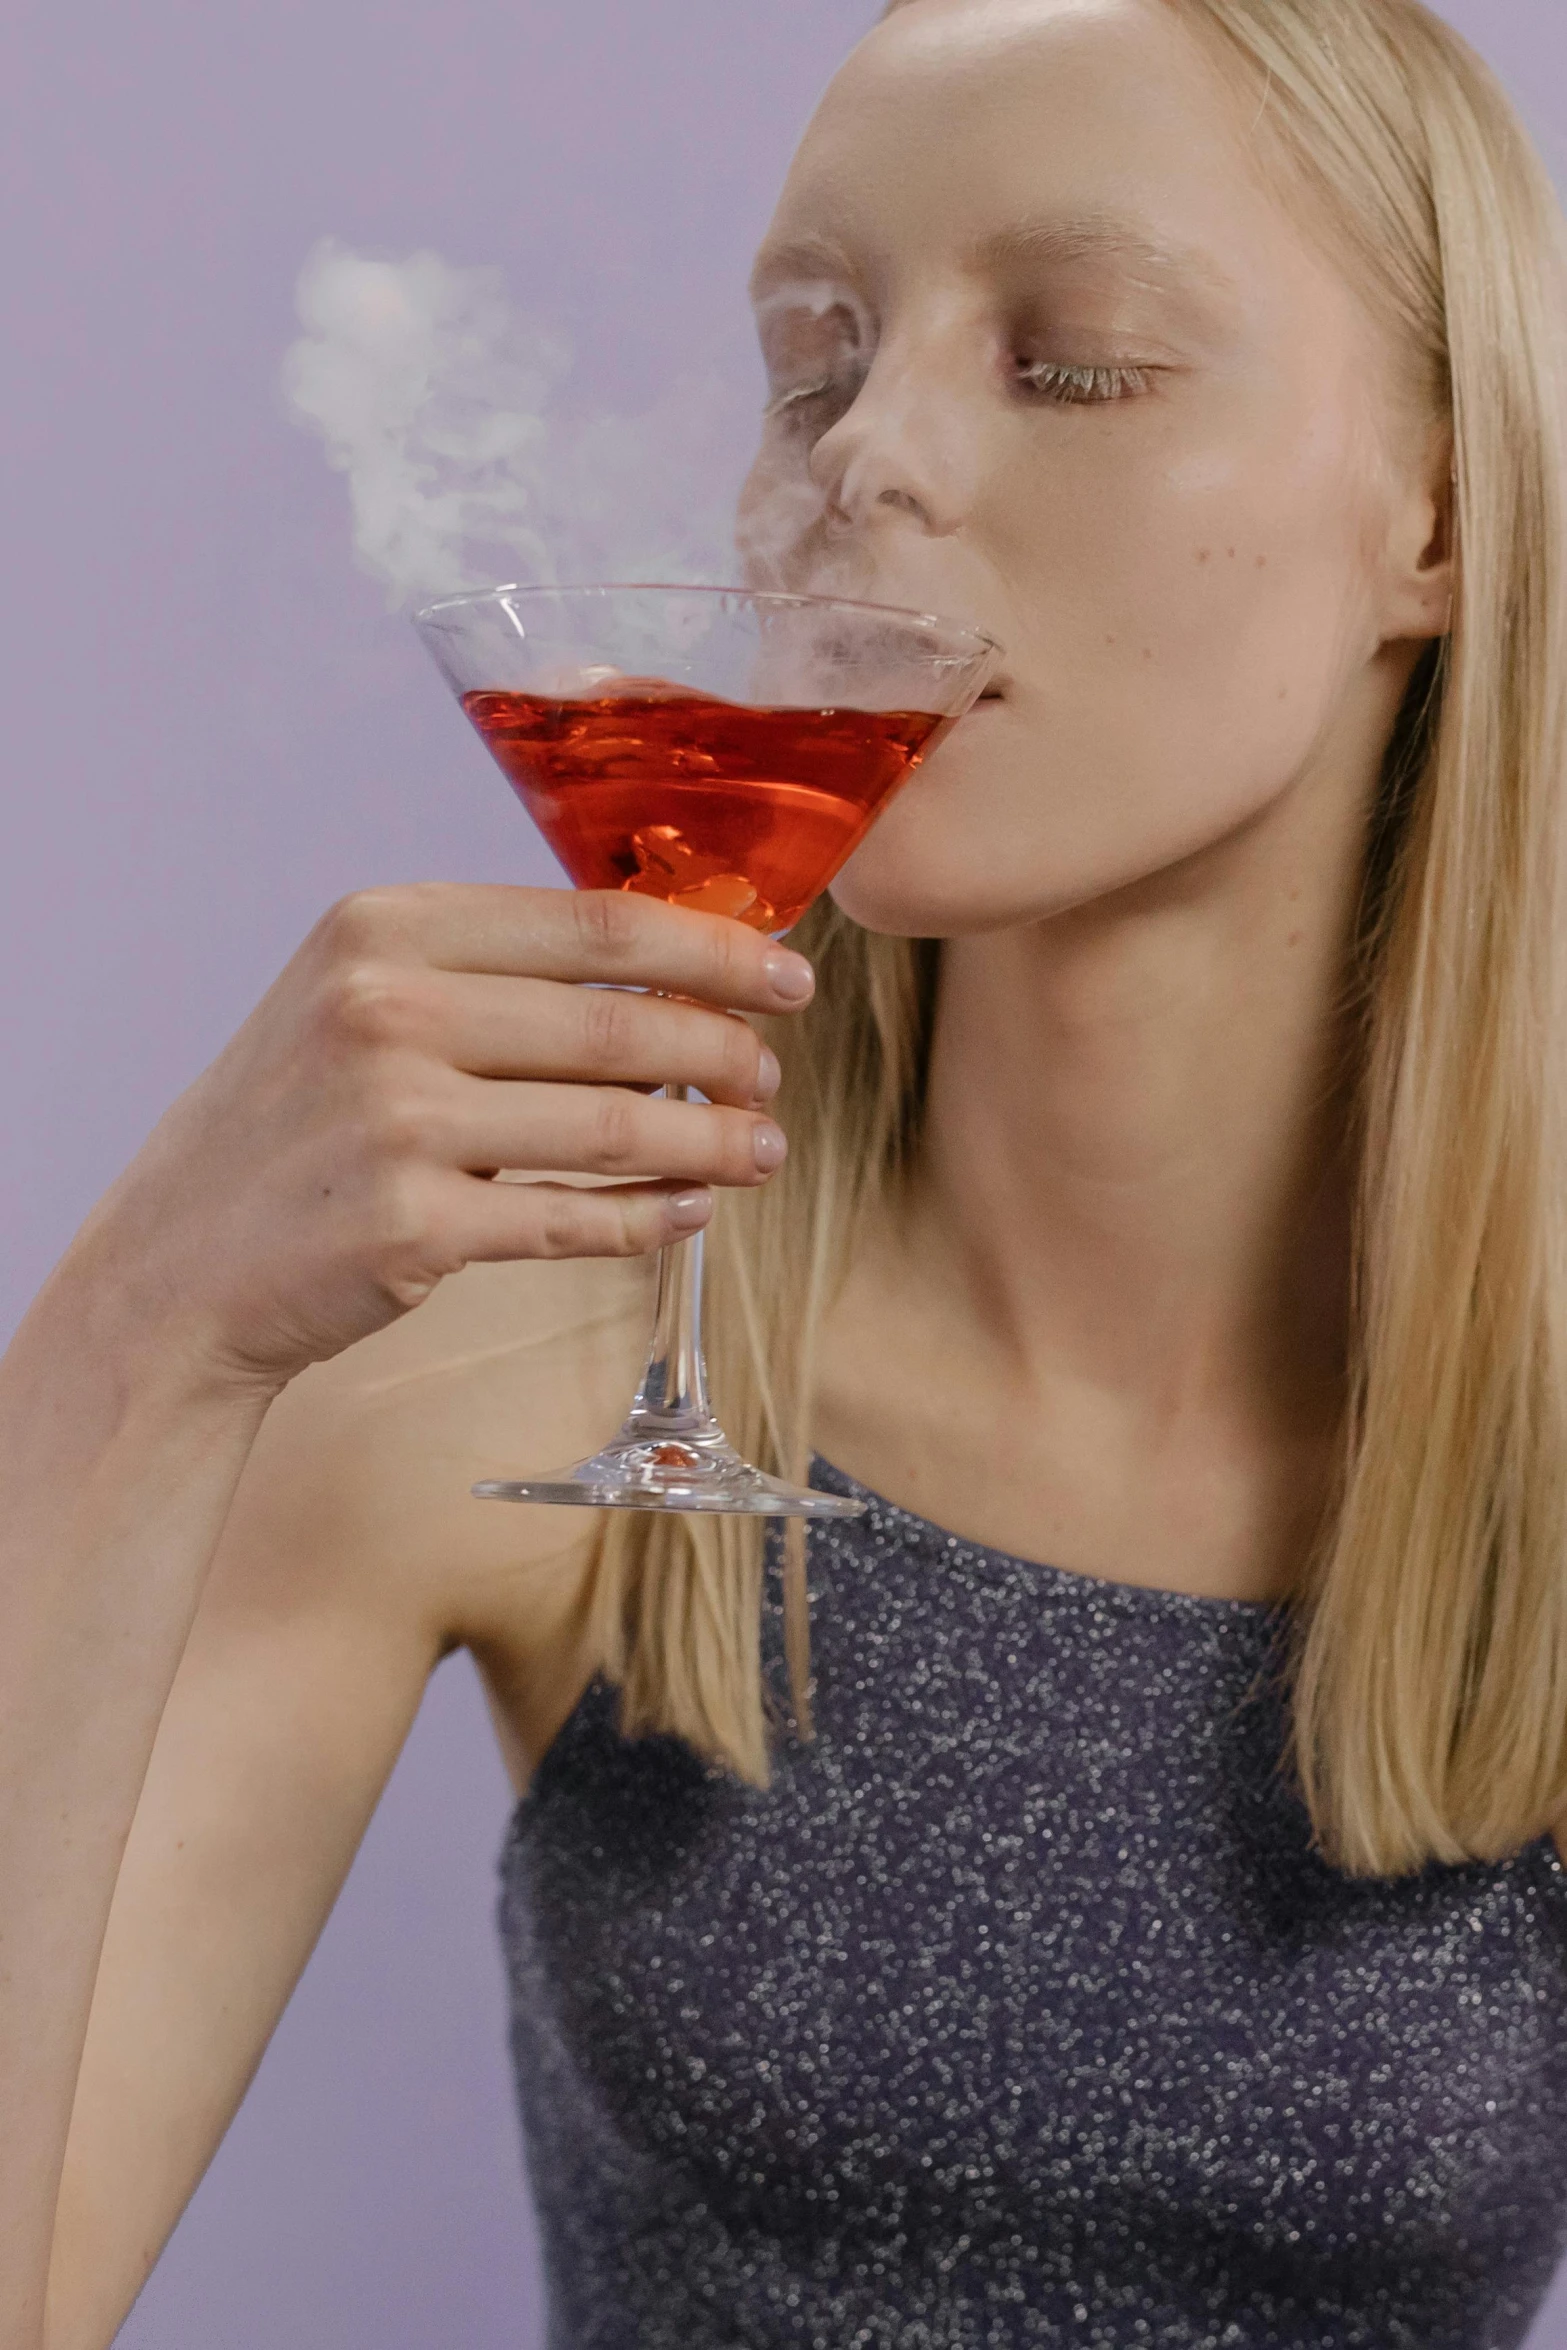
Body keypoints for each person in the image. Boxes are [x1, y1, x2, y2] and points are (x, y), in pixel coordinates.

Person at [6, 0, 1567, 2341]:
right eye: (818, 354)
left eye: (1077, 359)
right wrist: (132, 1332)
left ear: (1436, 512)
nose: (861, 463)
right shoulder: (505, 1379)